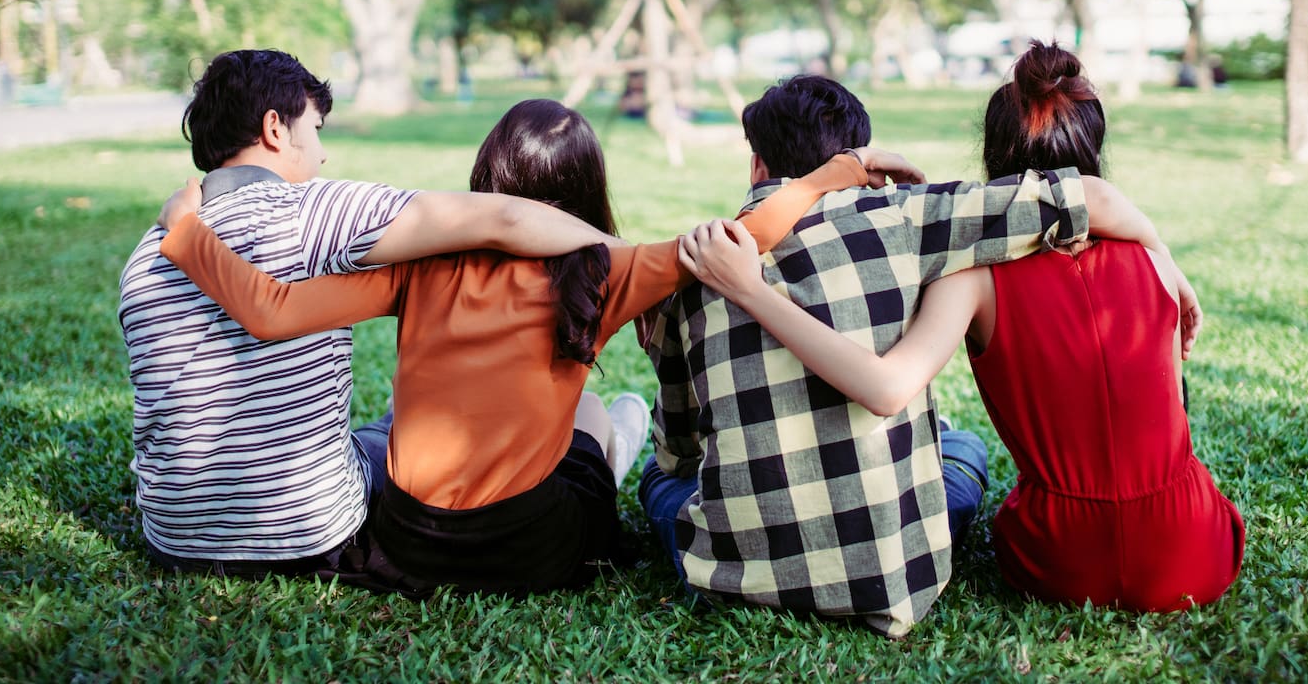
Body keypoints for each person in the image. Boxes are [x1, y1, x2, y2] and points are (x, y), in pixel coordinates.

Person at [152, 98, 921, 597]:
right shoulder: (606, 266)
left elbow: (271, 310)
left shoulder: (421, 264)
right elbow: (742, 236)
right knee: (595, 414)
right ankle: (615, 436)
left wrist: (187, 234)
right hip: (534, 551)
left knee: (408, 429)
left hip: (409, 546)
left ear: (488, 175)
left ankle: (599, 432)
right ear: (586, 187)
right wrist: (837, 173)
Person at [684, 43, 1243, 613]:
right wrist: (1166, 260)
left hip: (1059, 559)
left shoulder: (972, 279)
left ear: (993, 159)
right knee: (965, 450)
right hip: (1192, 549)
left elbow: (883, 388)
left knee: (680, 483)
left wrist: (752, 290)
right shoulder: (1152, 265)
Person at [118, 50, 626, 579]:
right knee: (408, 435)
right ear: (275, 128)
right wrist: (625, 256)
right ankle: (616, 435)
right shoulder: (312, 210)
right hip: (307, 532)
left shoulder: (147, 252)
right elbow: (505, 218)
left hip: (174, 538)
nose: (322, 157)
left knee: (388, 422)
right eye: (315, 130)